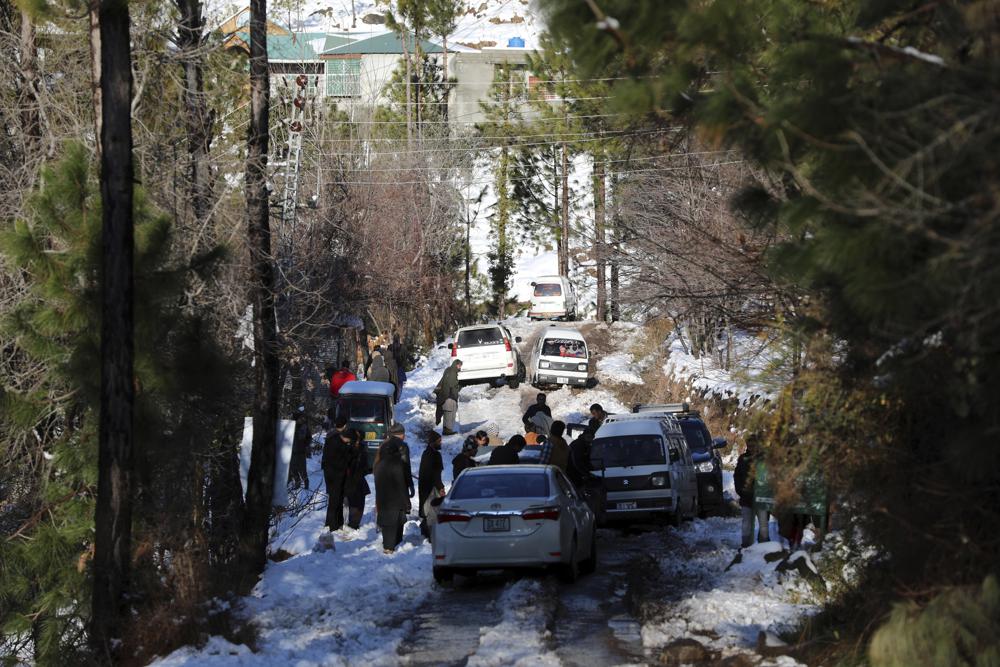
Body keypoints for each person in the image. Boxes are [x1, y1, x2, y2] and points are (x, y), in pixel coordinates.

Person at [374, 433, 411, 553]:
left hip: (383, 500)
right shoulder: (397, 465)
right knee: (395, 523)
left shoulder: (378, 464)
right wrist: (407, 502)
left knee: (387, 524)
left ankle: (388, 546)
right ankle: (391, 546)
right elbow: (401, 485)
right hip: (395, 500)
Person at [734, 436, 770, 548]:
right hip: (746, 498)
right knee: (746, 524)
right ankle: (746, 546)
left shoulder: (765, 459)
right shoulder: (742, 459)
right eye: (750, 445)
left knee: (764, 524)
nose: (752, 447)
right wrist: (741, 491)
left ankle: (764, 545)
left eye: (755, 445)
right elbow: (737, 477)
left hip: (762, 498)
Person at [322, 422, 352, 530]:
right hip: (335, 476)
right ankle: (332, 525)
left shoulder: (330, 438)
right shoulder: (337, 443)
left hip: (330, 475)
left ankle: (334, 522)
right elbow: (340, 461)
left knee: (335, 500)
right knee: (335, 501)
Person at [418, 431, 445, 539]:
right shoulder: (434, 455)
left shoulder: (426, 453)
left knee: (428, 510)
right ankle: (430, 533)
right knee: (432, 511)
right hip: (431, 489)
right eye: (439, 441)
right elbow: (436, 474)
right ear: (433, 442)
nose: (440, 443)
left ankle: (426, 531)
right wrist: (440, 487)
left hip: (426, 487)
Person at [343, 429, 370, 529]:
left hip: (356, 479)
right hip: (352, 480)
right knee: (354, 502)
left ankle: (354, 523)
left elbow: (365, 467)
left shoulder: (358, 448)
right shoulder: (351, 448)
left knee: (357, 502)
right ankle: (352, 523)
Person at [434, 359, 462, 435]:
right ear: (455, 364)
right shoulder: (452, 372)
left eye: (460, 365)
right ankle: (447, 430)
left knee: (447, 412)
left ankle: (446, 429)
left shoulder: (449, 370)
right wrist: (450, 396)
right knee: (450, 412)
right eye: (459, 365)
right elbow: (450, 385)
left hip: (446, 395)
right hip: (449, 396)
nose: (460, 367)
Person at [289, 407, 312, 490]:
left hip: (301, 452)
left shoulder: (304, 427)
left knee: (303, 471)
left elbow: (309, 437)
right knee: (293, 469)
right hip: (292, 452)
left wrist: (305, 444)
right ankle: (297, 483)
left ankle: (306, 486)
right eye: (298, 419)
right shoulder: (290, 427)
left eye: (300, 418)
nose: (300, 420)